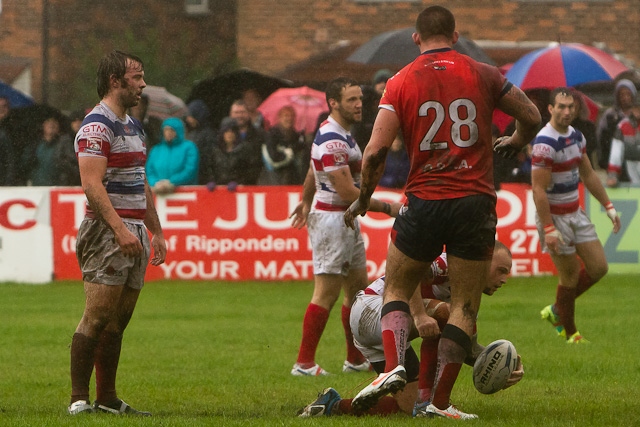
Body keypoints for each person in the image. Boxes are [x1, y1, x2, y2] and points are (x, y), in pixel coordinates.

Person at [343, 5, 541, 420]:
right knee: (465, 309)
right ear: (456, 33)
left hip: (425, 199)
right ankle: (439, 403)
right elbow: (532, 116)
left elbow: (376, 151)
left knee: (397, 288)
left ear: (417, 38)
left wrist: (364, 198)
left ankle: (393, 366)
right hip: (475, 201)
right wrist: (517, 139)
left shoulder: (399, 81)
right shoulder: (484, 72)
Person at [298, 242, 522, 418]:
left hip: (379, 334)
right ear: (484, 261)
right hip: (372, 307)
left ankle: (332, 406)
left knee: (406, 405)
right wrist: (419, 315)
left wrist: (502, 364)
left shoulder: (467, 291)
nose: (504, 279)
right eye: (501, 270)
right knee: (447, 315)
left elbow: (463, 347)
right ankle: (431, 404)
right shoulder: (449, 264)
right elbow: (411, 274)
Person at [68, 50, 166, 416]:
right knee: (97, 314)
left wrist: (155, 230)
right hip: (107, 231)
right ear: (115, 81)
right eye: (137, 78)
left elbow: (141, 181)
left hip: (135, 230)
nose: (142, 84)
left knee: (119, 319)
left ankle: (107, 399)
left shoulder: (134, 125)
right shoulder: (97, 126)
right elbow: (91, 185)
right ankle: (79, 399)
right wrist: (119, 227)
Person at [289, 77, 402, 377]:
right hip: (332, 220)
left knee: (355, 289)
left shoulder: (339, 135)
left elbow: (315, 171)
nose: (359, 104)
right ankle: (303, 363)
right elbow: (348, 192)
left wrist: (304, 199)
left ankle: (354, 358)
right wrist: (390, 208)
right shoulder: (334, 140)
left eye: (360, 99)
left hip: (344, 220)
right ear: (333, 103)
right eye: (351, 99)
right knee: (325, 293)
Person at [533, 88, 621, 344]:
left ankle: (557, 309)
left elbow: (589, 174)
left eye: (571, 106)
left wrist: (609, 206)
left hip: (575, 212)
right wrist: (549, 228)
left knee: (598, 267)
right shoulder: (544, 144)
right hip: (555, 218)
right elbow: (538, 190)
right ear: (550, 109)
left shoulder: (576, 137)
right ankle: (571, 334)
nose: (567, 111)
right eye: (561, 106)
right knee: (570, 274)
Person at [20, 115, 79, 186]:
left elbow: (72, 164)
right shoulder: (34, 144)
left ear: (59, 126)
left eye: (54, 122)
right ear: (43, 125)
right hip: (37, 187)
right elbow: (25, 163)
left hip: (59, 187)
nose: (51, 124)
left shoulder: (65, 144)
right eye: (48, 122)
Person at [146, 117, 199, 195]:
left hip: (183, 193)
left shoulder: (189, 147)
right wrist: (155, 183)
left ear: (178, 131)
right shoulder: (156, 150)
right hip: (157, 192)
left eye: (172, 130)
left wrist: (171, 182)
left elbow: (190, 170)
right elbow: (149, 171)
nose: (168, 133)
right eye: (166, 130)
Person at [596, 79, 637, 172]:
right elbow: (601, 139)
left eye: (628, 94)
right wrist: (604, 162)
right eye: (622, 94)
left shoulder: (637, 114)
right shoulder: (609, 115)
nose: (625, 97)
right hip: (614, 164)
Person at [259, 105, 305, 185]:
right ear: (279, 118)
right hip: (273, 178)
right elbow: (274, 157)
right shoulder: (272, 134)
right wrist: (289, 152)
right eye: (286, 115)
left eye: (292, 116)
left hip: (292, 179)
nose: (289, 118)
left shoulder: (297, 136)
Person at [201, 117, 251, 190]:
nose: (229, 134)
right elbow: (209, 168)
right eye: (226, 131)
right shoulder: (215, 150)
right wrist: (211, 181)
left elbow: (248, 171)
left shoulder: (244, 150)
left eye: (232, 131)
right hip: (217, 190)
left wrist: (238, 182)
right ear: (222, 133)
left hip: (237, 189)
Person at [228, 99, 266, 184]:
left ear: (248, 114)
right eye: (236, 113)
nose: (239, 115)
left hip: (253, 182)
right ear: (230, 114)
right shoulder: (224, 135)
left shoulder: (260, 134)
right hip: (231, 184)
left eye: (242, 112)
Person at [606, 105, 640, 187]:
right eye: (636, 107)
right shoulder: (623, 126)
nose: (638, 110)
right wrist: (613, 175)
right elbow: (616, 152)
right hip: (631, 165)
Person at [184, 99, 217, 184]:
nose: (188, 119)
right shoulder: (191, 133)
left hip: (204, 176)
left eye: (191, 115)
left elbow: (210, 158)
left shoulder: (209, 134)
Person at [0, 96, 16, 186]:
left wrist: (9, 181)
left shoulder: (15, 127)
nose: (1, 109)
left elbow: (11, 159)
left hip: (7, 179)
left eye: (4, 106)